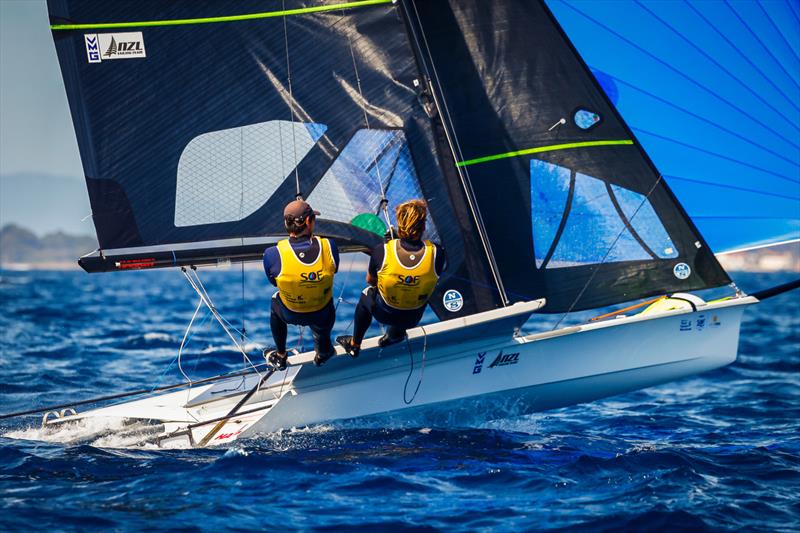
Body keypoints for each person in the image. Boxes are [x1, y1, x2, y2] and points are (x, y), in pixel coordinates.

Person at [337, 200, 446, 357]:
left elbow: (371, 280)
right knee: (414, 293)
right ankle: (395, 335)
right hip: (413, 318)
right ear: (423, 227)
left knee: (368, 292)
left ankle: (355, 344)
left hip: (384, 313)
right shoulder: (437, 252)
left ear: (400, 224)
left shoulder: (382, 250)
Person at [263, 200, 339, 369]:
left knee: (276, 299)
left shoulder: (272, 254)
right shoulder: (330, 246)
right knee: (325, 300)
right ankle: (324, 350)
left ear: (286, 224)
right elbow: (335, 269)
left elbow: (274, 282)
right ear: (307, 221)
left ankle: (281, 355)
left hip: (291, 314)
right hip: (323, 314)